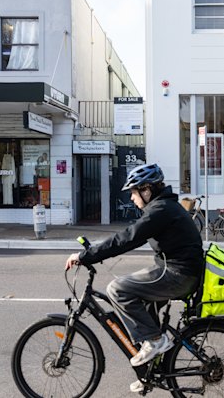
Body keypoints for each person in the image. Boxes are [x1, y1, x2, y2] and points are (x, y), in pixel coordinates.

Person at [64, 163, 203, 393]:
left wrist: (85, 256)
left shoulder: (160, 210)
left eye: (134, 191)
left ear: (146, 190)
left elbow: (127, 238)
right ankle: (149, 371)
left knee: (118, 289)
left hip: (178, 274)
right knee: (140, 300)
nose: (131, 197)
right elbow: (127, 237)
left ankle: (156, 341)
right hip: (179, 271)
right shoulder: (163, 207)